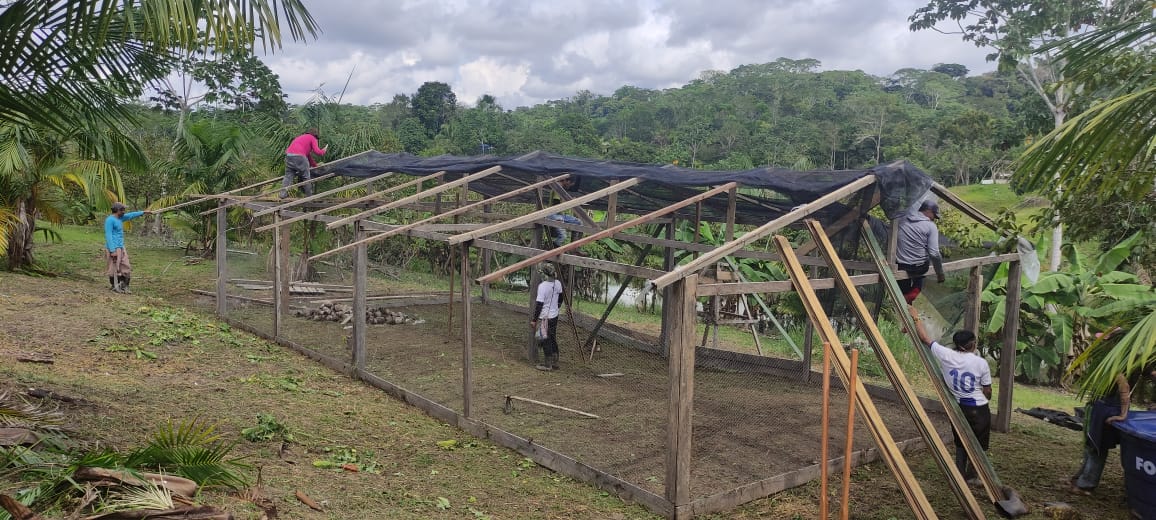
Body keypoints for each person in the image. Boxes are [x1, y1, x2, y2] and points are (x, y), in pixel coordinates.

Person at [909, 306, 992, 481]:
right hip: (979, 408)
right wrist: (987, 396)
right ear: (973, 345)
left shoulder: (946, 355)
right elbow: (987, 390)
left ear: (957, 345)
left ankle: (959, 473)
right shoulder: (981, 363)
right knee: (980, 443)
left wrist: (915, 318)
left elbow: (924, 338)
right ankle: (975, 475)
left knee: (961, 441)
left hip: (960, 406)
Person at [896, 200, 945, 304]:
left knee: (904, 287)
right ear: (928, 211)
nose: (933, 219)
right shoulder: (930, 226)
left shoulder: (902, 219)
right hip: (918, 268)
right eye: (933, 216)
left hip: (900, 265)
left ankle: (905, 300)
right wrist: (940, 273)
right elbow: (934, 253)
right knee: (925, 265)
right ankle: (912, 294)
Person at [104, 202, 150, 294]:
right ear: (117, 210)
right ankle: (115, 286)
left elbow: (131, 215)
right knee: (114, 267)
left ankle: (125, 286)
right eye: (122, 210)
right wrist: (112, 251)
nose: (124, 212)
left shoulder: (120, 218)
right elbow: (108, 235)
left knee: (126, 265)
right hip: (113, 246)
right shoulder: (110, 220)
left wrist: (143, 212)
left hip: (121, 246)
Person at [530, 263, 563, 371]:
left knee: (545, 340)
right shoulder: (557, 283)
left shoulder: (543, 286)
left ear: (544, 274)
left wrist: (534, 320)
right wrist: (556, 307)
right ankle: (555, 362)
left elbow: (539, 305)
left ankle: (548, 365)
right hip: (554, 316)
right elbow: (561, 297)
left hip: (545, 317)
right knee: (552, 337)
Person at [280, 127, 327, 198]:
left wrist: (315, 165)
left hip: (289, 155)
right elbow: (318, 152)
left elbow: (308, 156)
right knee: (306, 177)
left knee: (288, 176)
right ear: (316, 135)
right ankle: (309, 196)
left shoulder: (301, 137)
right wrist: (324, 150)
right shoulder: (312, 138)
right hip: (299, 156)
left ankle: (282, 194)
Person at [545, 177, 581, 249]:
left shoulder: (561, 189)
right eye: (570, 184)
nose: (569, 186)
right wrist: (570, 202)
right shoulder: (558, 188)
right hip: (553, 214)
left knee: (578, 223)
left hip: (559, 214)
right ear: (565, 181)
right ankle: (551, 247)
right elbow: (556, 204)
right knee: (563, 236)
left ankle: (574, 248)